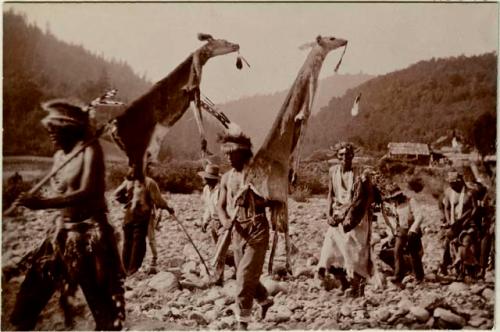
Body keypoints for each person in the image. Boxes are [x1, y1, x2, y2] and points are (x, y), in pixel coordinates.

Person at [10, 99, 125, 330]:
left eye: (56, 130)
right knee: (27, 301)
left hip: (90, 236)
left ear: (71, 129)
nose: (51, 135)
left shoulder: (90, 150)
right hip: (61, 234)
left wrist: (41, 204)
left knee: (103, 308)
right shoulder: (59, 157)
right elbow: (60, 188)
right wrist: (31, 199)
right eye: (49, 130)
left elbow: (87, 192)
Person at [216, 131, 273, 330]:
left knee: (244, 278)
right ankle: (265, 300)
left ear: (244, 154)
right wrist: (224, 222)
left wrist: (255, 197)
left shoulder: (257, 174)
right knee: (246, 274)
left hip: (257, 229)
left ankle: (243, 324)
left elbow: (272, 198)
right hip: (237, 231)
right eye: (227, 154)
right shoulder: (226, 178)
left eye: (233, 154)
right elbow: (220, 206)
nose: (229, 158)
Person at [316, 142, 376, 297]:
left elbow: (369, 196)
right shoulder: (332, 171)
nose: (345, 158)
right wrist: (329, 214)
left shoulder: (360, 173)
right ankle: (343, 283)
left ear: (352, 156)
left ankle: (358, 289)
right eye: (341, 155)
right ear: (337, 156)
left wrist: (354, 212)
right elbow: (330, 194)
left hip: (357, 219)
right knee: (329, 252)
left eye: (348, 154)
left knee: (356, 255)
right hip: (338, 216)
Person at [114, 160, 175, 275]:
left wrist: (127, 202)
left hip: (128, 216)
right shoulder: (149, 182)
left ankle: (125, 269)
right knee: (138, 243)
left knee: (127, 242)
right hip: (141, 217)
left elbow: (116, 195)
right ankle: (132, 270)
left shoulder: (128, 182)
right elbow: (158, 201)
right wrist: (169, 208)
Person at [378, 184, 424, 284]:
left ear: (400, 194)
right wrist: (391, 235)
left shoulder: (411, 201)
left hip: (413, 231)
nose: (394, 199)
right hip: (401, 231)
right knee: (397, 251)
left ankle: (418, 276)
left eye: (396, 197)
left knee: (414, 253)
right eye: (393, 198)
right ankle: (399, 275)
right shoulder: (395, 206)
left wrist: (413, 229)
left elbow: (419, 216)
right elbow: (394, 222)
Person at [198, 163, 235, 286]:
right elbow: (208, 207)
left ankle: (218, 279)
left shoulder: (221, 191)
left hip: (224, 223)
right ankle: (237, 262)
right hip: (213, 223)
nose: (203, 179)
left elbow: (227, 208)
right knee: (219, 250)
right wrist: (205, 221)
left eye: (206, 177)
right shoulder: (206, 190)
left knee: (219, 252)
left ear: (210, 178)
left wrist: (227, 224)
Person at [439, 171, 476, 276]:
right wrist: (449, 221)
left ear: (459, 182)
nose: (451, 186)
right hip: (453, 223)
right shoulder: (448, 192)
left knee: (466, 242)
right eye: (450, 183)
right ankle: (444, 265)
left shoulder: (470, 193)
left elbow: (474, 209)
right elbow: (446, 207)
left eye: (453, 184)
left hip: (467, 223)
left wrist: (466, 220)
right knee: (447, 242)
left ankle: (468, 268)